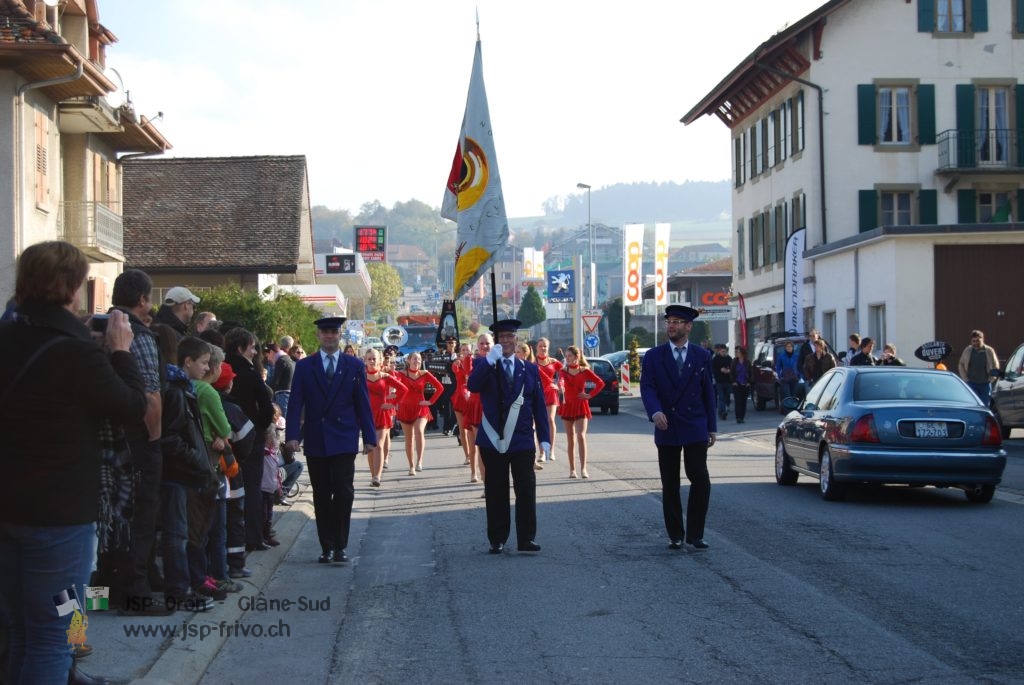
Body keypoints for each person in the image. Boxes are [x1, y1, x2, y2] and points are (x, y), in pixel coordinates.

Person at [0, 241, 147, 685]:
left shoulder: (7, 336)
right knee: (54, 634)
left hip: (7, 504)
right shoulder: (74, 350)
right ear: (73, 287)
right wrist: (120, 351)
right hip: (61, 512)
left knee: (21, 630)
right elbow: (132, 406)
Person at [285, 316, 376, 564]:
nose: (329, 336)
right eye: (325, 332)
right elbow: (295, 404)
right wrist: (292, 435)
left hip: (344, 436)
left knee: (344, 492)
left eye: (334, 332)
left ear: (340, 335)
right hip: (317, 437)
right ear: (318, 336)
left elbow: (363, 404)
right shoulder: (305, 366)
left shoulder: (354, 365)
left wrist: (369, 437)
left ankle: (340, 545)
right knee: (322, 494)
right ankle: (326, 546)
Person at [109, 268, 169, 616]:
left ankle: (95, 611)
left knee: (95, 547)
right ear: (143, 298)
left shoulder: (99, 330)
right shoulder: (138, 336)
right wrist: (154, 442)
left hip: (102, 449)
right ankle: (134, 595)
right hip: (135, 445)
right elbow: (150, 395)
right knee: (140, 520)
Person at [467, 319, 550, 555]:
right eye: (501, 337)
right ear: (496, 341)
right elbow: (473, 385)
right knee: (496, 490)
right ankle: (497, 538)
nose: (505, 341)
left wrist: (544, 436)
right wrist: (488, 362)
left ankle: (526, 538)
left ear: (516, 340)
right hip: (493, 438)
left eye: (509, 337)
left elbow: (539, 406)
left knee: (526, 489)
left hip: (522, 438)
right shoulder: (484, 364)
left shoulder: (530, 368)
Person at [640, 304, 716, 551]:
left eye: (676, 322)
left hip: (695, 424)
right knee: (670, 483)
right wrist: (655, 411)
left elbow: (708, 392)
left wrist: (712, 427)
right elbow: (647, 387)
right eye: (668, 321)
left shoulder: (702, 356)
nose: (671, 325)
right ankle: (675, 534)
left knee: (700, 480)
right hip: (667, 424)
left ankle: (696, 534)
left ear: (688, 326)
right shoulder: (654, 356)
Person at [224, 328, 275, 552]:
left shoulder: (222, 368)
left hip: (225, 437)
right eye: (252, 347)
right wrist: (260, 428)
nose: (255, 352)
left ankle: (232, 539)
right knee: (252, 488)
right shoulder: (249, 372)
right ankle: (252, 537)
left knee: (228, 488)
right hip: (250, 437)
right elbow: (266, 406)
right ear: (240, 348)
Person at [557, 346, 605, 479]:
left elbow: (600, 383)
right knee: (570, 439)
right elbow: (560, 381)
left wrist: (589, 395)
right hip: (567, 405)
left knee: (581, 436)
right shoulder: (563, 371)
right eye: (566, 356)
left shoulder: (584, 371)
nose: (567, 358)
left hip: (581, 405)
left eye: (570, 356)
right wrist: (561, 387)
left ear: (576, 357)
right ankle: (572, 470)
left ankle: (583, 469)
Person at [363, 348, 407, 487]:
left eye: (374, 358)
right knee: (370, 446)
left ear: (380, 360)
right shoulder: (361, 377)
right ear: (365, 360)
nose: (372, 361)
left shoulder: (385, 376)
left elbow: (403, 389)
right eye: (369, 358)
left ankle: (377, 476)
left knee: (379, 444)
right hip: (367, 415)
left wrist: (392, 404)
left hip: (383, 414)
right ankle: (373, 475)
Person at [396, 351, 442, 475]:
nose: (417, 362)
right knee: (409, 438)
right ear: (408, 361)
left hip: (421, 408)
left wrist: (430, 402)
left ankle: (419, 461)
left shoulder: (425, 373)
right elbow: (394, 384)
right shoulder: (401, 374)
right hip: (405, 408)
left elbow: (440, 388)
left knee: (419, 430)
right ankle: (411, 466)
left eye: (419, 360)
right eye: (415, 359)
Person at [534, 337, 563, 465]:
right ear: (537, 348)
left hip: (551, 393)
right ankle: (541, 452)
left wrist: (559, 384)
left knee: (550, 420)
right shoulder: (533, 362)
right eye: (540, 346)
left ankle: (550, 451)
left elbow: (564, 374)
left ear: (548, 347)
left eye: (545, 346)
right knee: (539, 422)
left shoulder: (554, 362)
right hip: (537, 394)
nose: (543, 348)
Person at [958, 330, 999, 404]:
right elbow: (961, 364)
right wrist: (965, 379)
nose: (975, 343)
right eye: (973, 341)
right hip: (971, 383)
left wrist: (992, 378)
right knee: (972, 404)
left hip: (985, 384)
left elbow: (995, 365)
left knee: (985, 405)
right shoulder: (967, 350)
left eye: (977, 340)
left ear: (982, 339)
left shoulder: (989, 350)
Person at [730, 346, 752, 424]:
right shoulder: (734, 361)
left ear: (742, 353)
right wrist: (733, 381)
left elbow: (750, 372)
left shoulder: (747, 362)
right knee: (738, 401)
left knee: (743, 402)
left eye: (738, 352)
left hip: (745, 384)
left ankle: (742, 417)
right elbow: (732, 372)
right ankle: (738, 417)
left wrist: (749, 382)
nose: (737, 353)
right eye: (736, 352)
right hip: (737, 384)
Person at [711, 344, 733, 420]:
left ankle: (725, 408)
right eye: (722, 351)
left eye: (725, 351)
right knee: (721, 397)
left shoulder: (729, 358)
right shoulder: (715, 359)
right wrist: (720, 370)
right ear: (719, 351)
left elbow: (732, 368)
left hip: (728, 381)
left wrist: (729, 370)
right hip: (719, 381)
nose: (723, 353)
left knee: (727, 396)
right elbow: (712, 370)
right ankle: (722, 412)